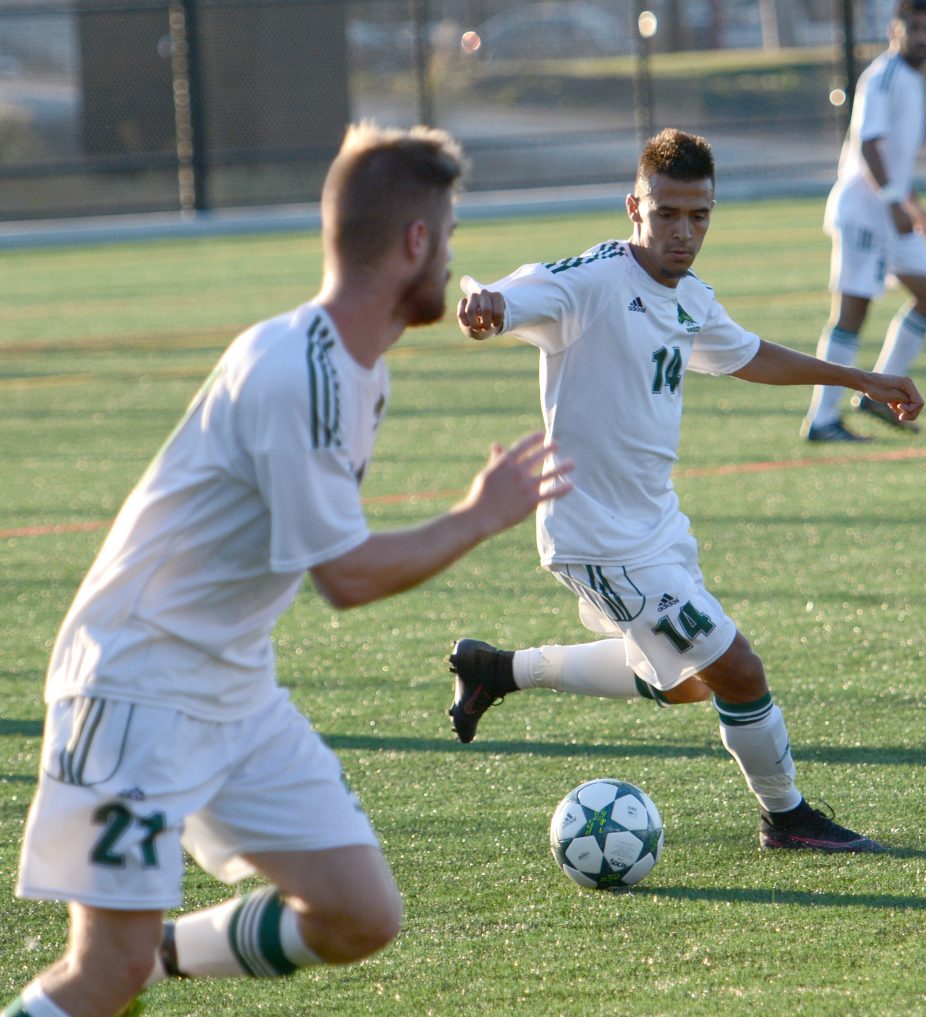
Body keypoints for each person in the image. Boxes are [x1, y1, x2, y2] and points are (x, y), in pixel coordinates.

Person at [3, 122, 571, 1017]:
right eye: (450, 236)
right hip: (134, 686)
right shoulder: (296, 368)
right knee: (93, 974)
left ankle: (150, 957)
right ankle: (119, 968)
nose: (453, 254)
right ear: (416, 241)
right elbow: (343, 577)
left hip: (232, 690)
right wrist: (480, 513)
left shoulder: (357, 368)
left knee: (358, 913)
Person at [447, 126, 923, 855]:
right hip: (598, 537)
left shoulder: (688, 296)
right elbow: (522, 289)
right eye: (667, 212)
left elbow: (748, 354)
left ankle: (498, 669)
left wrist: (860, 378)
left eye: (699, 215)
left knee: (686, 685)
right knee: (739, 668)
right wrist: (487, 304)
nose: (683, 231)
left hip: (657, 527)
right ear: (633, 207)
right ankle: (787, 817)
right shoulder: (596, 280)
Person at [802, 0, 926, 443]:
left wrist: (912, 205)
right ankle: (822, 420)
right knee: (852, 313)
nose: (922, 37)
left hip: (890, 211)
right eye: (914, 28)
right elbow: (869, 145)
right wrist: (894, 203)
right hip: (865, 211)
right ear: (893, 30)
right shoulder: (882, 76)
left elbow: (895, 160)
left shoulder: (913, 82)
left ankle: (879, 389)